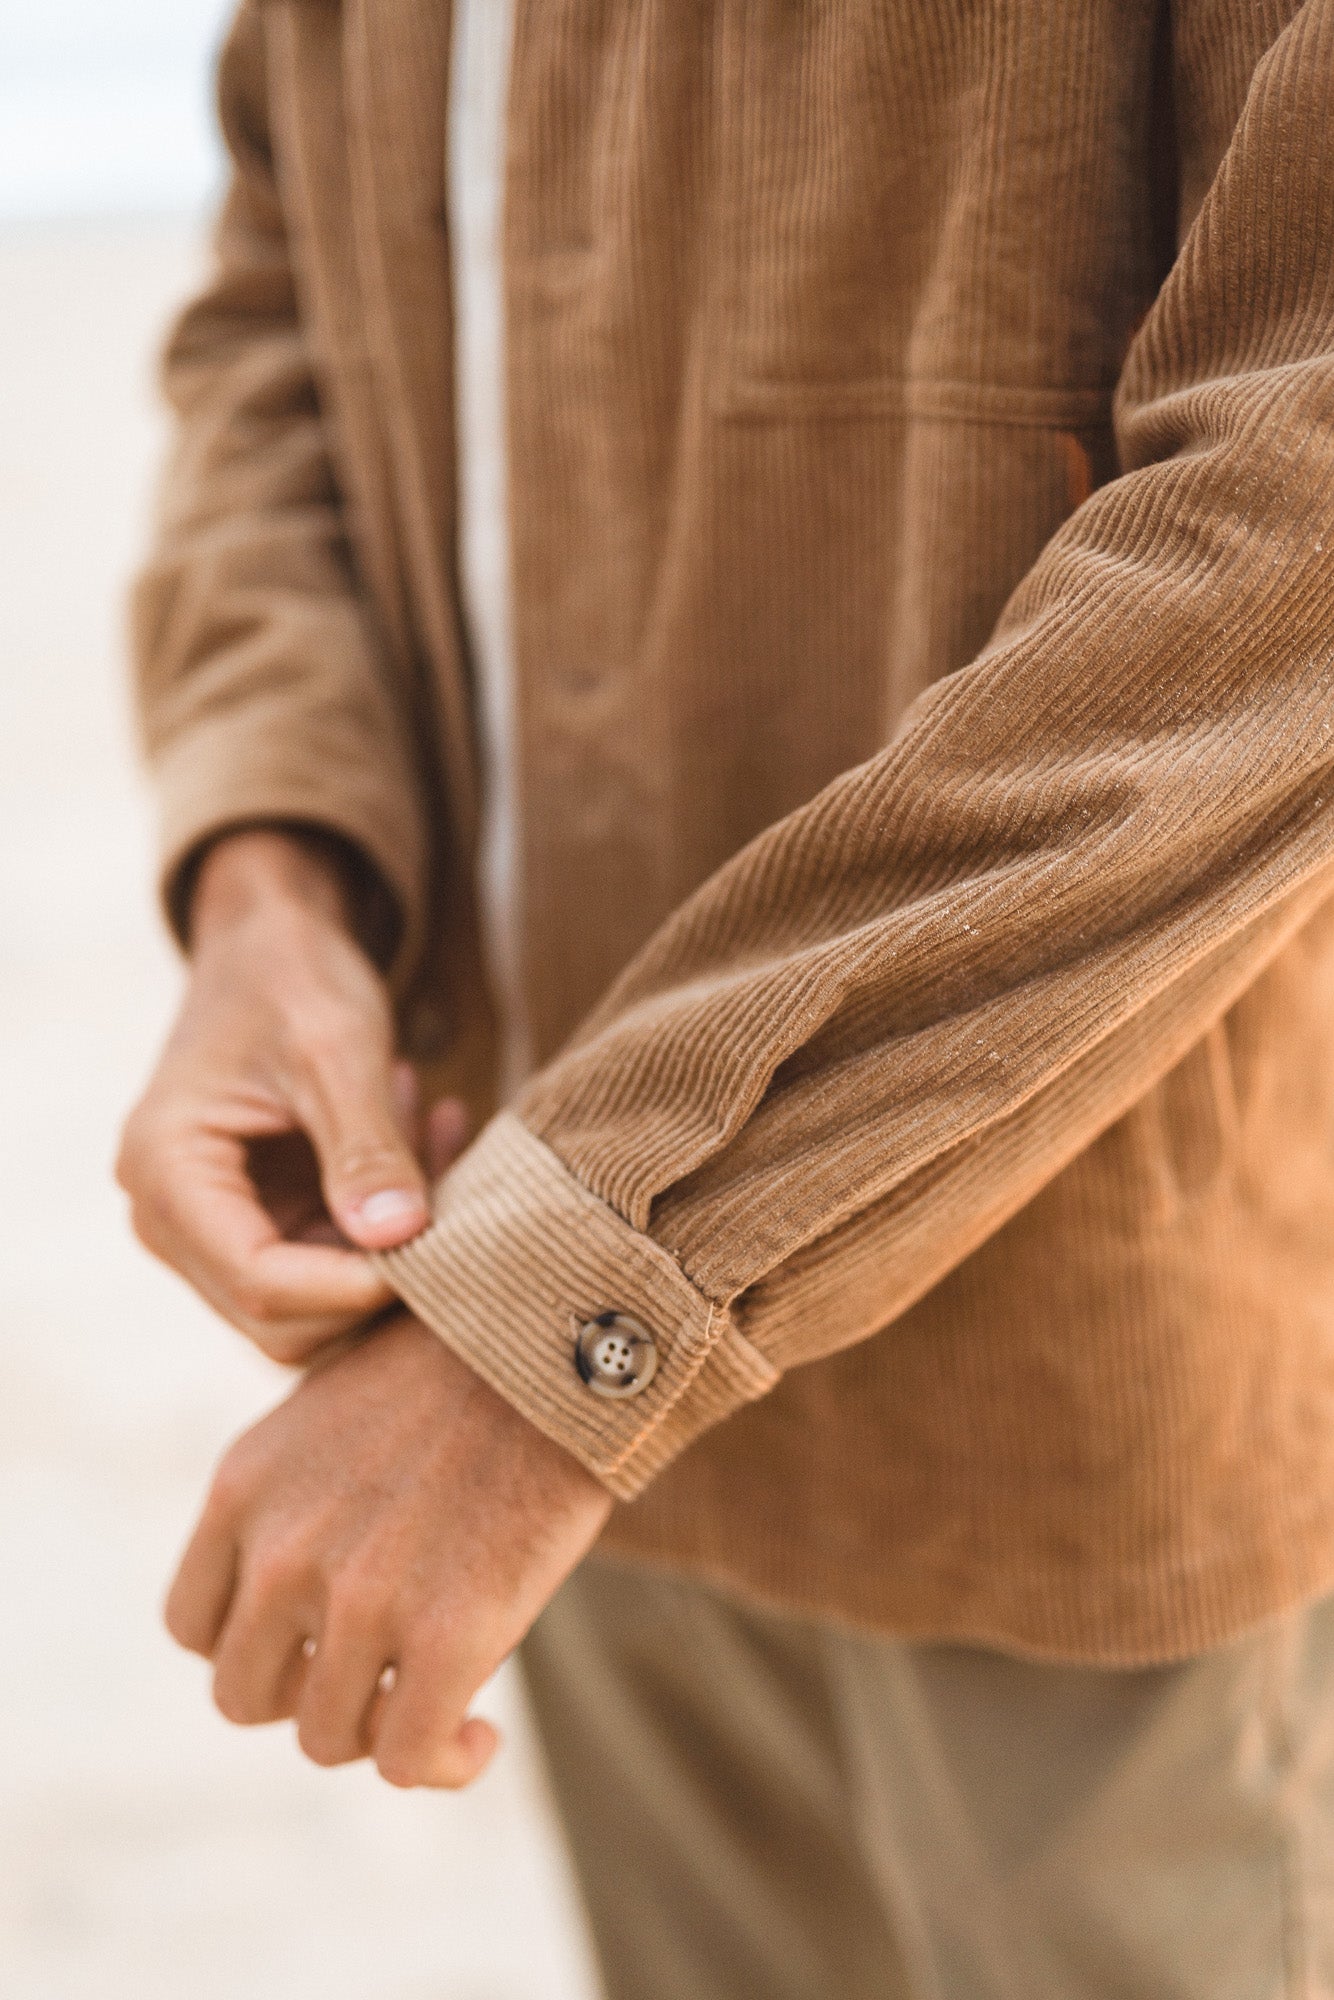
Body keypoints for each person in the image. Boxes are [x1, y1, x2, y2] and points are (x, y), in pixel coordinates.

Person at [117, 1, 1334, 1993]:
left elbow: (1296, 508)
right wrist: (275, 874)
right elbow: (279, 281)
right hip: (497, 1302)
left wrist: (582, 1309)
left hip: (1048, 1380)